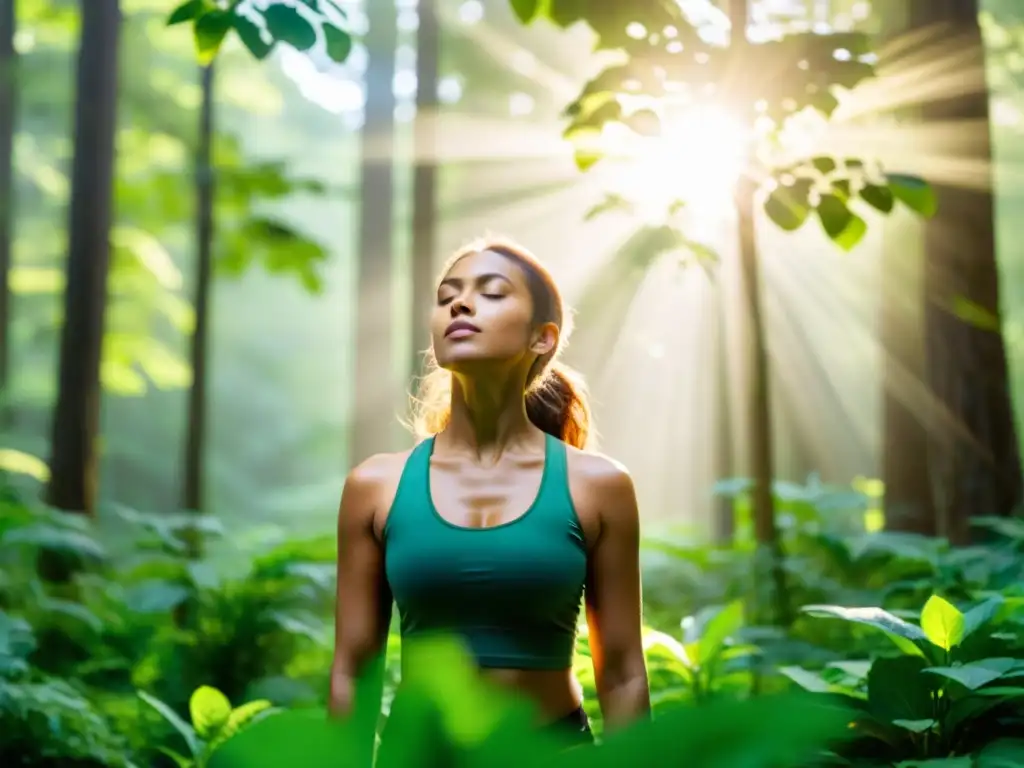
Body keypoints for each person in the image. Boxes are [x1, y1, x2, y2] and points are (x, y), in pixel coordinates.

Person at [329, 236, 649, 753]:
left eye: (492, 292)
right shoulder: (375, 486)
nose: (459, 303)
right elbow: (352, 671)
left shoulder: (599, 486)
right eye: (446, 295)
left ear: (542, 339)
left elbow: (625, 675)